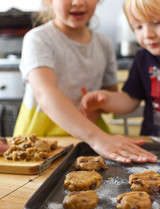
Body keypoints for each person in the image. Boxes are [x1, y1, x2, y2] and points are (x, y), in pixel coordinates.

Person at [13, 0, 156, 163]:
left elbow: (110, 98)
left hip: (94, 137)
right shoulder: (38, 38)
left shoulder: (104, 43)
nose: (78, 2)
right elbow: (45, 93)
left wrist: (100, 105)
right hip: (43, 136)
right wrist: (97, 138)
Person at [80, 0, 160, 137]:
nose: (147, 34)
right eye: (138, 27)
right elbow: (130, 99)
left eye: (157, 23)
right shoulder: (143, 58)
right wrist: (105, 100)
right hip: (153, 142)